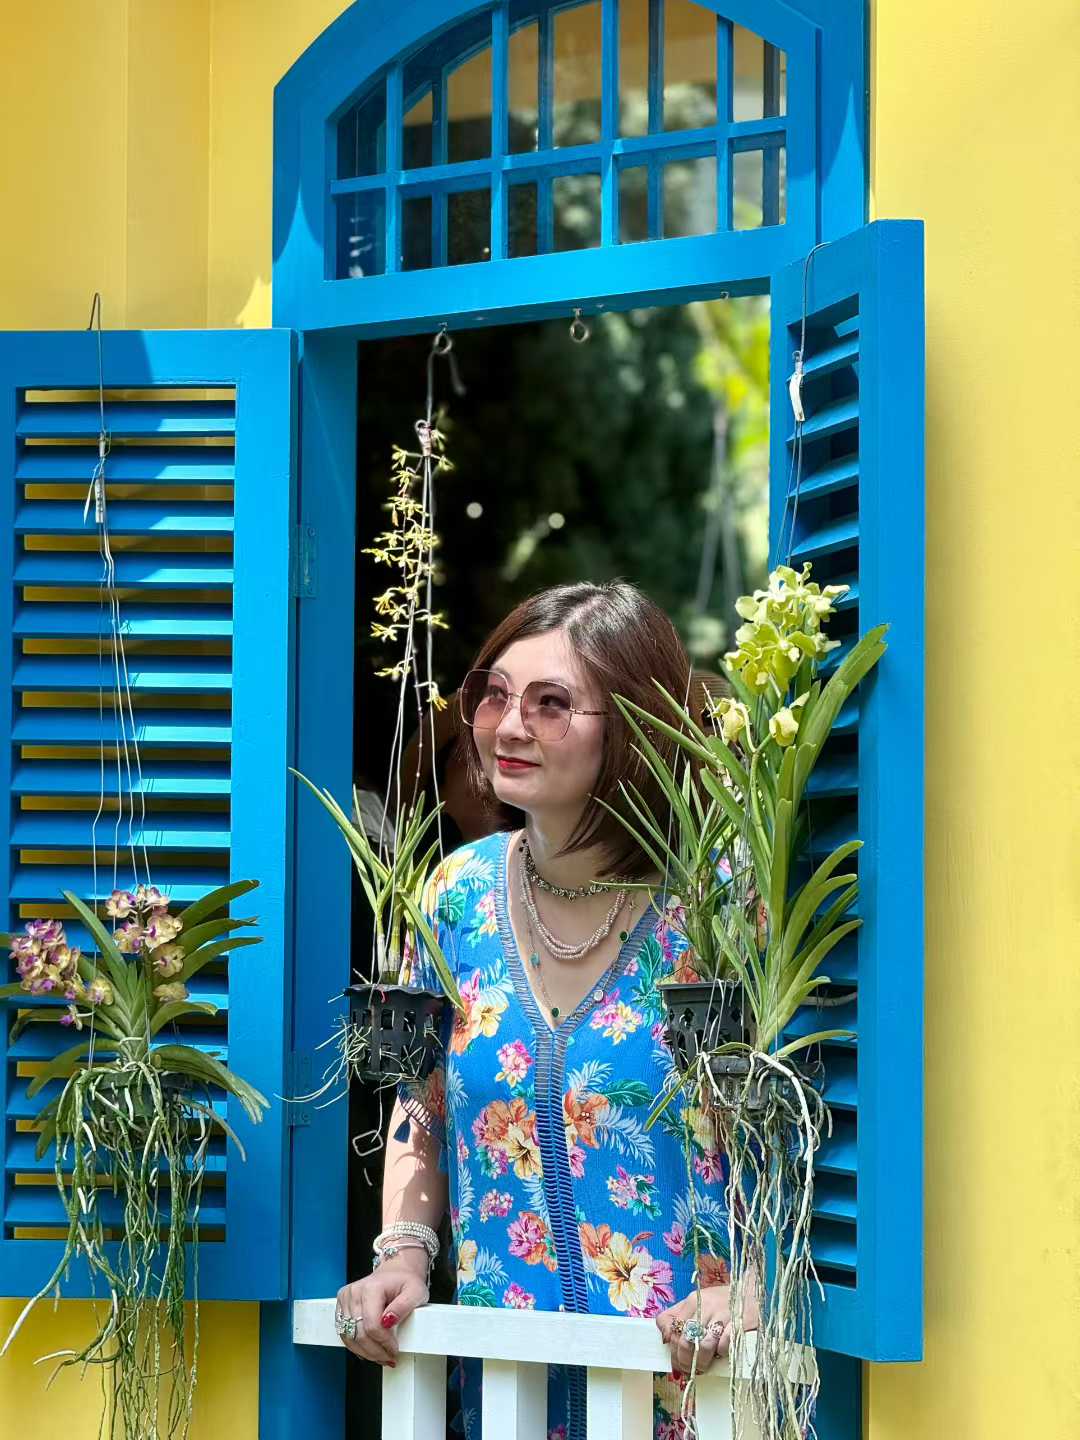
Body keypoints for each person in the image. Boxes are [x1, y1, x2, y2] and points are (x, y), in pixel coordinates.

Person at [335, 582, 756, 1440]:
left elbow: (782, 1125)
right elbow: (423, 1103)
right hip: (509, 1398)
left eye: (551, 704)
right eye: (494, 695)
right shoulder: (453, 896)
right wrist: (403, 1256)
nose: (508, 726)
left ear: (633, 725)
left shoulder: (716, 905)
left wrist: (753, 1284)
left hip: (692, 1398)